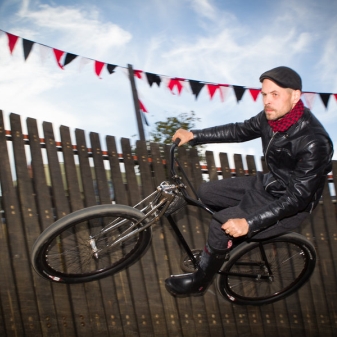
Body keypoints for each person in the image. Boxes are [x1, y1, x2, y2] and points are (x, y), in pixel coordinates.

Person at [165, 66, 333, 297]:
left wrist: (249, 223)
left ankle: (199, 283)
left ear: (295, 96)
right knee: (206, 193)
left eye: (275, 94)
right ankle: (228, 244)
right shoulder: (270, 117)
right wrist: (195, 135)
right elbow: (239, 130)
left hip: (290, 204)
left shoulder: (314, 142)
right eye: (264, 94)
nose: (267, 101)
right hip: (269, 184)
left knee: (220, 225)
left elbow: (297, 198)